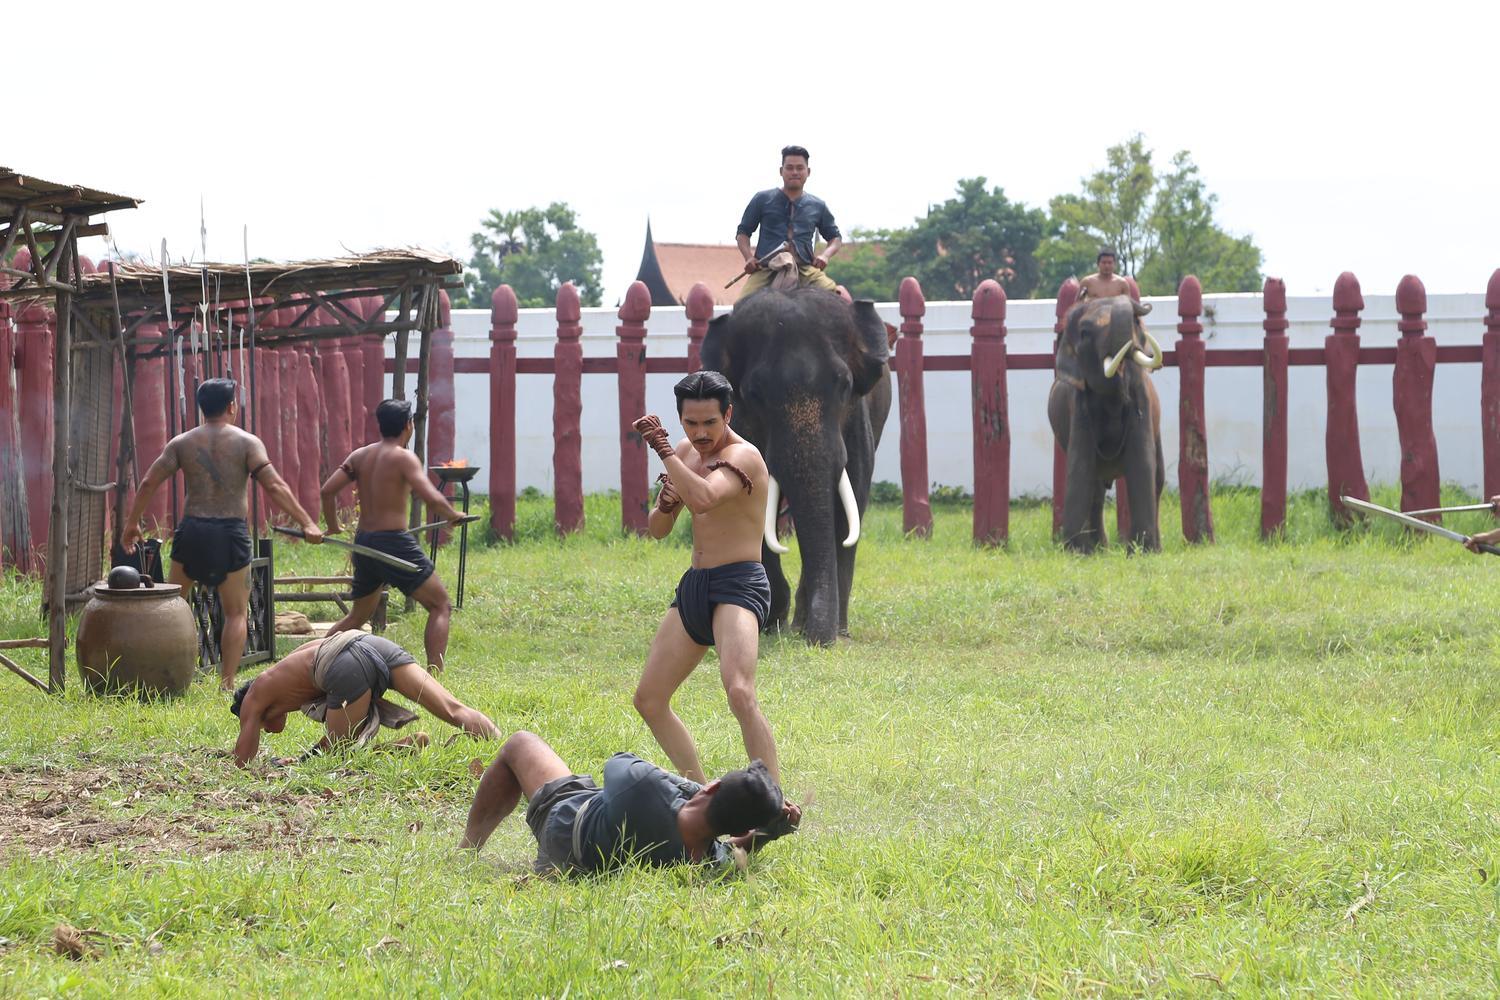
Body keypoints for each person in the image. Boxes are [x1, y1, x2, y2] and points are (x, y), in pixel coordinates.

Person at [630, 371, 783, 786]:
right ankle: (699, 794)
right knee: (649, 699)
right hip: (696, 585)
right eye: (690, 423)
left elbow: (705, 498)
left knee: (739, 692)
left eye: (709, 423)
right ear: (680, 419)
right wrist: (664, 504)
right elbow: (657, 530)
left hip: (739, 584)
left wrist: (663, 451)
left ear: (728, 414)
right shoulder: (684, 452)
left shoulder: (743, 456)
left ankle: (770, 802)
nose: (699, 434)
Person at [122, 377, 323, 691]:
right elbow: (274, 485)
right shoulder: (247, 442)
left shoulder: (182, 443)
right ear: (232, 406)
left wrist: (132, 523)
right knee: (236, 613)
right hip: (229, 533)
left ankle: (164, 675)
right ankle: (226, 683)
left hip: (193, 531)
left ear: (202, 408)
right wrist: (307, 522)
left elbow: (148, 482)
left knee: (173, 605)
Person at [459, 730, 800, 874]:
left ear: (711, 789)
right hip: (582, 862)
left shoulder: (643, 789)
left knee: (520, 743)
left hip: (565, 825)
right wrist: (770, 830)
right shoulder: (703, 859)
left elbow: (619, 761)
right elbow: (736, 846)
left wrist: (694, 785)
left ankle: (467, 850)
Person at [320, 399, 467, 672]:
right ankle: (434, 676)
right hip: (394, 543)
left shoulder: (360, 456)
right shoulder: (403, 457)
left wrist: (332, 527)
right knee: (440, 605)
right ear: (408, 425)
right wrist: (451, 515)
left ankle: (311, 662)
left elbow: (327, 490)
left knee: (357, 616)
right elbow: (429, 496)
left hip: (364, 543)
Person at [230, 630, 499, 767]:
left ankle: (401, 747)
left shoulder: (254, 695)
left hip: (345, 663)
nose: (265, 729)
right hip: (367, 642)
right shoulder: (285, 671)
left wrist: (295, 762)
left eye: (260, 724)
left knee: (337, 752)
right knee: (453, 709)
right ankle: (502, 747)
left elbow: (242, 761)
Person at [735, 144, 842, 300]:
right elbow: (743, 233)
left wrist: (825, 255)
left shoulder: (818, 205)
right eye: (790, 168)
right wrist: (748, 258)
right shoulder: (762, 199)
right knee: (742, 305)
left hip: (805, 269)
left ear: (808, 172)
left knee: (837, 298)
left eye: (800, 168)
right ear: (781, 171)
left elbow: (835, 238)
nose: (795, 172)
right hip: (767, 269)